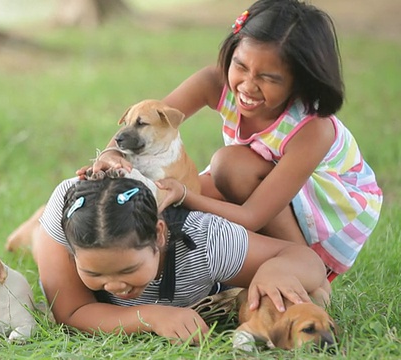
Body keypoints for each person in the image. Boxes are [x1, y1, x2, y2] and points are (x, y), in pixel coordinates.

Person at [82, 0, 383, 281]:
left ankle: (300, 269)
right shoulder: (216, 81)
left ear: (301, 80)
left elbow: (251, 215)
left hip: (329, 216)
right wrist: (111, 155)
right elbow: (147, 117)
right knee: (192, 200)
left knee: (226, 167)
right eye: (240, 66)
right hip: (266, 185)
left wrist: (184, 193)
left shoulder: (313, 129)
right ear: (232, 52)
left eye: (269, 77)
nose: (248, 86)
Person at [33, 174, 327, 344]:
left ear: (159, 235)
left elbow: (304, 259)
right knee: (38, 237)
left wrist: (275, 269)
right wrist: (150, 316)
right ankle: (33, 225)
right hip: (60, 221)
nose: (113, 286)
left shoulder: (207, 241)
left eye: (128, 269)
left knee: (314, 294)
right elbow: (72, 312)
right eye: (94, 273)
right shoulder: (67, 239)